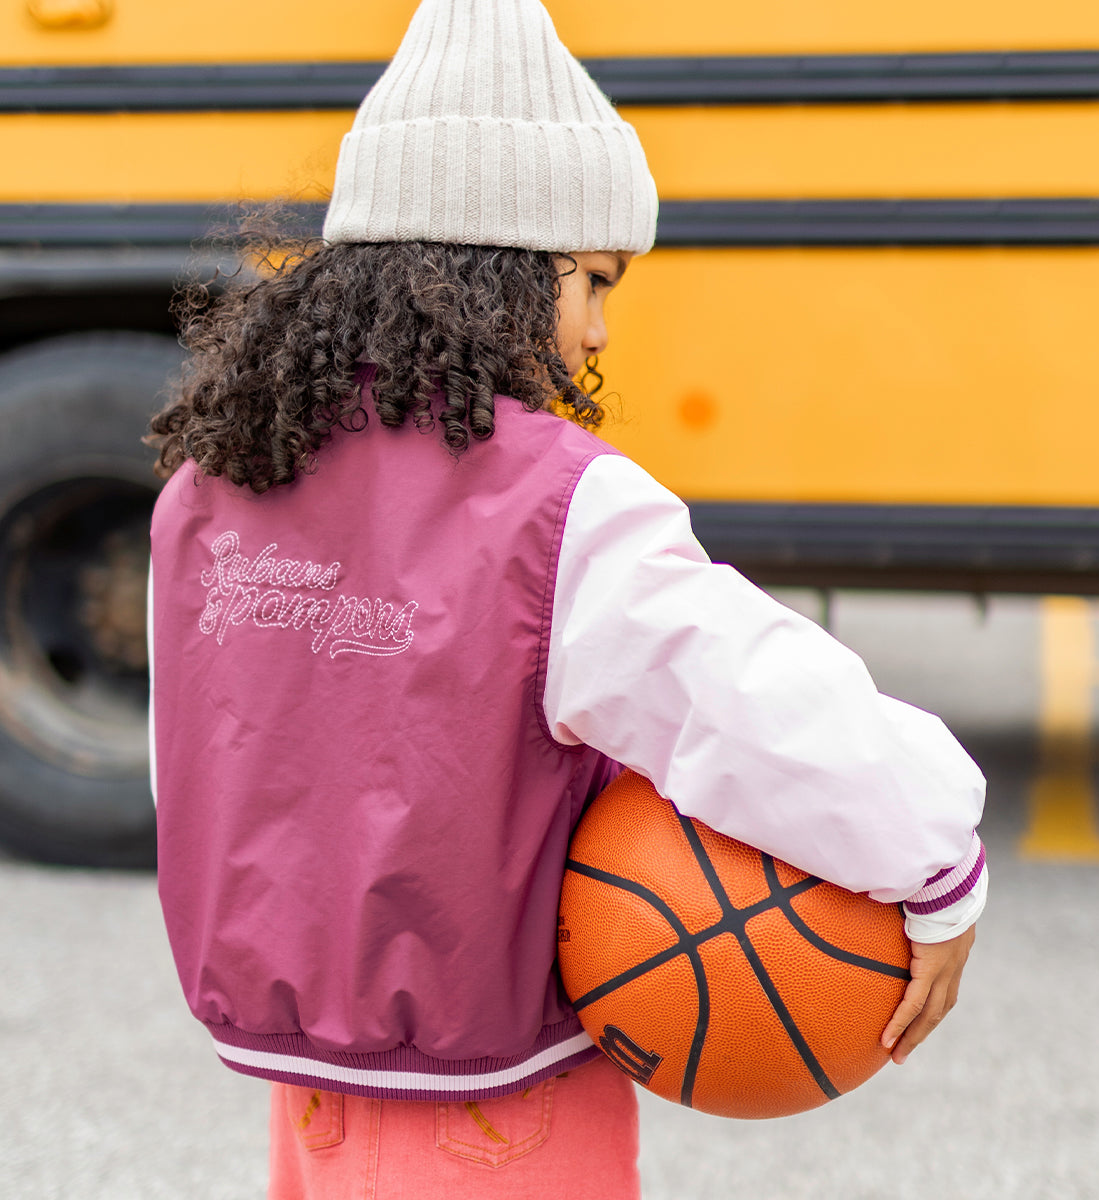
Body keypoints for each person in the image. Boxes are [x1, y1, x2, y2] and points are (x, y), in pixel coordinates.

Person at [146, 1, 987, 1196]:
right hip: (503, 1111)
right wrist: (938, 863)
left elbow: (199, 769)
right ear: (491, 271)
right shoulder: (557, 508)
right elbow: (750, 704)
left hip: (310, 1099)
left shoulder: (211, 489)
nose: (596, 334)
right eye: (593, 281)